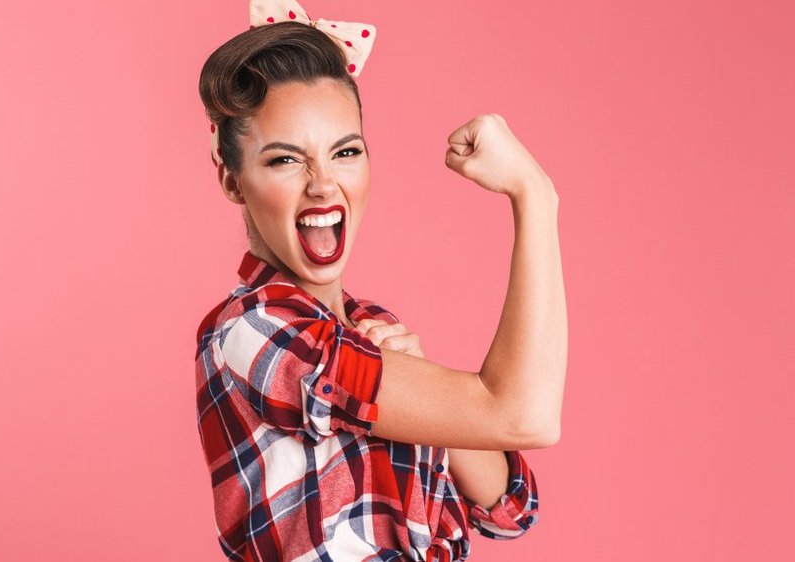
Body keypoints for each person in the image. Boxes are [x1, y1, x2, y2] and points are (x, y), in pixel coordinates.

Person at [194, 2, 567, 560]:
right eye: (285, 161)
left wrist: (428, 402)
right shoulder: (256, 332)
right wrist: (535, 196)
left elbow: (510, 508)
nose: (323, 186)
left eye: (346, 152)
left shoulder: (375, 331)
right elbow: (523, 415)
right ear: (231, 179)